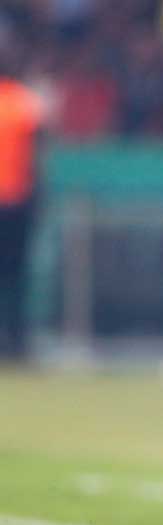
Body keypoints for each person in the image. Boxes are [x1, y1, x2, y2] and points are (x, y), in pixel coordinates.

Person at [0, 50, 43, 361]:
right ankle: (17, 340)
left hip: (13, 198)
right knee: (16, 275)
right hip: (17, 200)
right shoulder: (25, 102)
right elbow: (39, 156)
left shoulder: (24, 102)